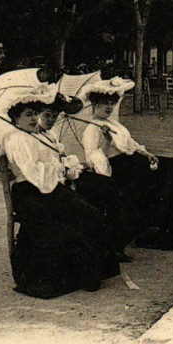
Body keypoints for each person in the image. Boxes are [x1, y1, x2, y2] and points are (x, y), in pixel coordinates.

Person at [81, 78, 173, 250]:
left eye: (112, 103)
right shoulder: (92, 128)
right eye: (105, 103)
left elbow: (131, 144)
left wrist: (147, 154)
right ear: (94, 104)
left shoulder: (114, 124)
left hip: (135, 163)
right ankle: (171, 230)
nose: (109, 107)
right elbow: (94, 160)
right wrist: (106, 142)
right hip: (121, 170)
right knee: (172, 174)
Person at [2, 86, 119, 298]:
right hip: (30, 192)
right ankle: (79, 274)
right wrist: (59, 168)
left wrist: (63, 164)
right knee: (78, 215)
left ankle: (89, 272)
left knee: (89, 212)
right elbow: (33, 172)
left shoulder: (40, 135)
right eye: (28, 115)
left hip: (48, 187)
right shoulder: (16, 139)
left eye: (35, 114)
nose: (33, 119)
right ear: (16, 118)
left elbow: (50, 166)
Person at [35, 94, 146, 262]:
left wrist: (68, 161)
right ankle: (111, 244)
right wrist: (62, 168)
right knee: (103, 190)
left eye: (54, 116)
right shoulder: (30, 138)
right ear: (37, 115)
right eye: (47, 116)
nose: (51, 120)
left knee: (107, 184)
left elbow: (61, 157)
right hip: (51, 183)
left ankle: (120, 239)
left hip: (67, 175)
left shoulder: (51, 134)